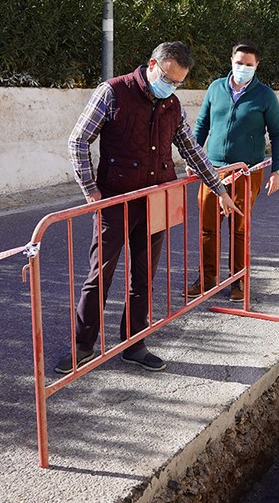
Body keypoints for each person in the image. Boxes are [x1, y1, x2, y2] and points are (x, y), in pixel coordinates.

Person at [62, 41, 240, 374]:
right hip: (116, 200)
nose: (171, 87)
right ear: (152, 65)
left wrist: (218, 188)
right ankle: (82, 347)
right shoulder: (113, 92)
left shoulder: (172, 105)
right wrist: (91, 191)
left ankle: (134, 344)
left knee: (143, 277)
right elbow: (78, 139)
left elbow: (191, 150)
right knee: (100, 274)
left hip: (155, 201)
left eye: (178, 83)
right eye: (168, 78)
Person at [186, 42, 279, 302]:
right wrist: (193, 156)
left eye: (248, 65)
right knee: (208, 227)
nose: (243, 68)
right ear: (231, 60)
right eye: (239, 63)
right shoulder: (215, 88)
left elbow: (277, 134)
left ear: (256, 66)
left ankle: (238, 282)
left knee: (239, 229)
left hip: (246, 172)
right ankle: (206, 279)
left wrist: (278, 169)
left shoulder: (265, 96)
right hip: (213, 171)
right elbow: (202, 124)